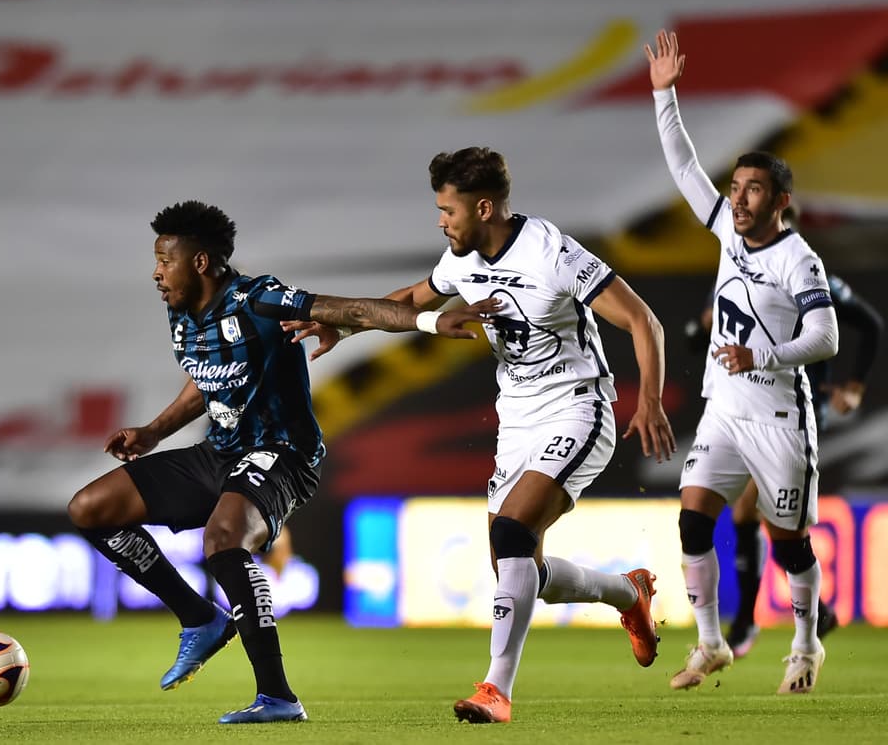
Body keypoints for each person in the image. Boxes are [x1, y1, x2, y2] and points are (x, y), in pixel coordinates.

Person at [284, 146, 677, 724]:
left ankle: (496, 690)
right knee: (518, 569)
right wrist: (343, 324)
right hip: (516, 420)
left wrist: (648, 402)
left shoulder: (552, 252)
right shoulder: (460, 260)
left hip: (577, 407)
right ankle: (628, 592)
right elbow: (411, 301)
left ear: (485, 208)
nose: (441, 221)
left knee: (514, 533)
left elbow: (642, 319)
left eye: (448, 210)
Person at [66, 200, 492, 724]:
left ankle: (278, 697)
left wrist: (428, 319)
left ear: (199, 262)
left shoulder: (260, 298)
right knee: (90, 508)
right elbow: (207, 379)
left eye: (163, 260)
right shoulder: (182, 310)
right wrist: (153, 431)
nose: (156, 273)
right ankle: (199, 619)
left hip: (282, 454)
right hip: (218, 453)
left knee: (223, 540)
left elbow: (354, 311)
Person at [646, 29, 839, 694]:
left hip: (779, 417)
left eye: (753, 189)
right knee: (694, 517)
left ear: (780, 200)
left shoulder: (799, 259)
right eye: (735, 186)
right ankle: (710, 643)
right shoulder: (727, 228)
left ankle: (807, 646)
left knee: (788, 543)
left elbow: (827, 336)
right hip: (724, 411)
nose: (738, 197)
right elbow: (681, 167)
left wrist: (766, 352)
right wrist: (663, 92)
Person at [687, 209, 883, 658]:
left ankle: (751, 625)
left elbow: (869, 324)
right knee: (756, 520)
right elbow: (703, 338)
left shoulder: (809, 279)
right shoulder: (735, 274)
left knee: (754, 517)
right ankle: (792, 617)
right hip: (749, 409)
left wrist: (853, 386)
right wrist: (701, 327)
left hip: (796, 412)